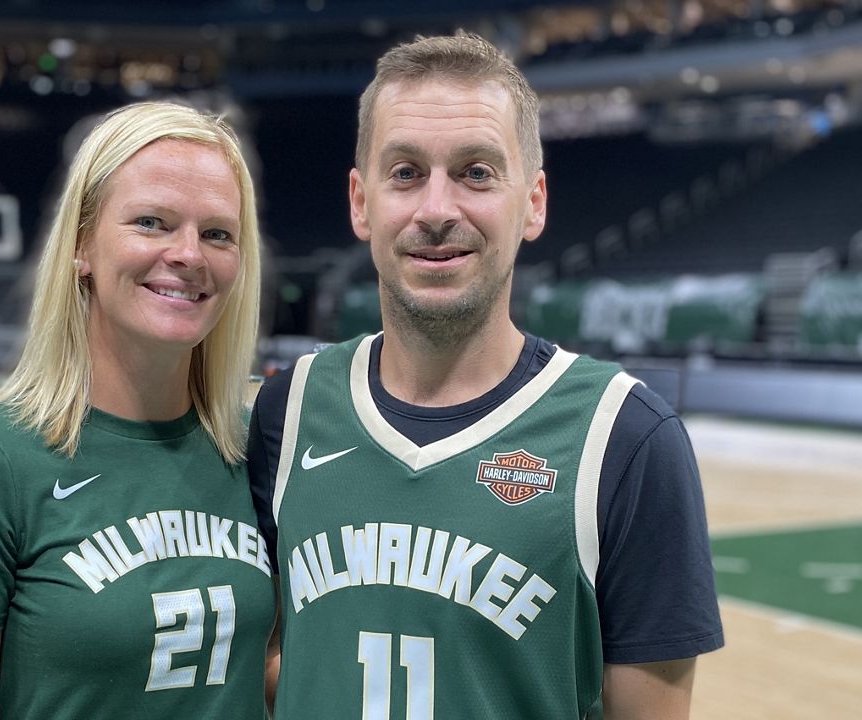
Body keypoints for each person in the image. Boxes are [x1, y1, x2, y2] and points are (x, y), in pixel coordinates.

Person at [248, 34, 723, 719]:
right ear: (361, 202)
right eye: (405, 172)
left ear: (533, 202)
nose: (437, 210)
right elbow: (274, 659)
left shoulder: (628, 440)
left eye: (475, 172)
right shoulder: (286, 410)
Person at [0, 101, 275, 720]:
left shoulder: (258, 449)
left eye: (217, 233)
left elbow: (265, 671)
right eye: (151, 222)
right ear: (82, 245)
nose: (188, 254)